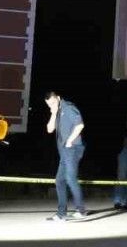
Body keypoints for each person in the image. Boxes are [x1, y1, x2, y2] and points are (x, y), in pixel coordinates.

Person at [45, 91, 87, 221]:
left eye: (53, 103)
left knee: (70, 178)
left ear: (58, 98)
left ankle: (81, 210)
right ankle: (61, 213)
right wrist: (53, 113)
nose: (52, 106)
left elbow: (80, 125)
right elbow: (49, 129)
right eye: (49, 104)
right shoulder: (56, 112)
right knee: (60, 180)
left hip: (73, 148)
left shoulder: (68, 107)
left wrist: (69, 141)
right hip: (64, 151)